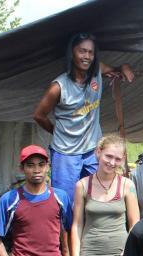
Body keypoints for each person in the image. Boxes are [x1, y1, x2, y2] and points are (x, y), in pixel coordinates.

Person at [33, 33, 134, 199]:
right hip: (66, 153)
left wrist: (123, 67)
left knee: (100, 195)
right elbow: (39, 115)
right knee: (66, 199)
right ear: (72, 53)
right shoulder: (59, 87)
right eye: (82, 51)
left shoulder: (97, 71)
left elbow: (115, 69)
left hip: (92, 150)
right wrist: (57, 132)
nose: (86, 56)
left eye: (90, 52)